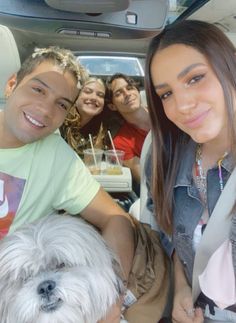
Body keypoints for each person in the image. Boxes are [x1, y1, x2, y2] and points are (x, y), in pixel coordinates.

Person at [0, 46, 134, 322]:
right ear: (11, 84)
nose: (45, 109)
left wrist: (111, 298)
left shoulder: (54, 155)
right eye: (38, 89)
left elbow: (116, 219)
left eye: (62, 104)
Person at [145, 19, 236, 322]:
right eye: (166, 94)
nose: (182, 105)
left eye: (195, 78)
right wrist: (182, 286)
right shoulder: (165, 157)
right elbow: (168, 234)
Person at [106, 73, 150, 193]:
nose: (127, 94)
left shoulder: (165, 112)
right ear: (112, 106)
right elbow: (146, 181)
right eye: (118, 93)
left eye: (130, 88)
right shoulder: (120, 143)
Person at [60, 76, 108, 156]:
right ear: (76, 96)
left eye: (100, 95)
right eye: (88, 92)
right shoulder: (60, 124)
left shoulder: (101, 130)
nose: (94, 98)